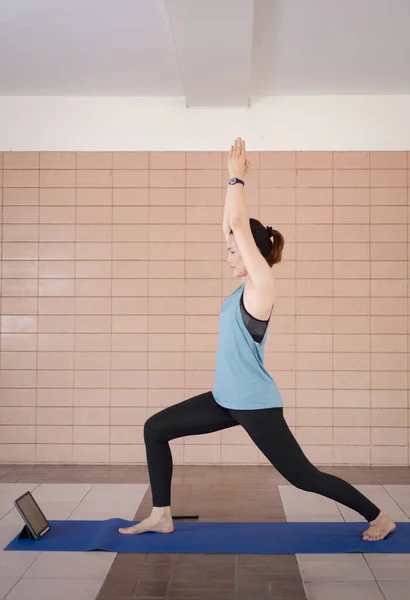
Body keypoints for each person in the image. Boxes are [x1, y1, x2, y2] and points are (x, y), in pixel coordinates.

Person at [119, 138, 396, 542]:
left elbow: (238, 230)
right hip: (224, 400)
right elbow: (231, 226)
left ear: (252, 255)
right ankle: (161, 514)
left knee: (303, 477)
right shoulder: (242, 289)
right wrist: (229, 185)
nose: (229, 256)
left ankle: (378, 516)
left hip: (255, 404)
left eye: (234, 252)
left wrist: (236, 179)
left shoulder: (261, 286)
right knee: (155, 428)